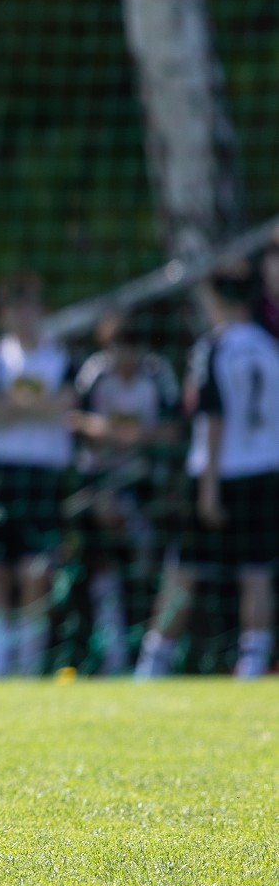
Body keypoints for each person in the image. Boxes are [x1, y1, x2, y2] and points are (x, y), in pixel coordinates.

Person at [136, 261, 279, 680]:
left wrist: (209, 487)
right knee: (256, 572)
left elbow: (212, 417)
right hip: (265, 471)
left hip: (219, 471)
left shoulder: (213, 347)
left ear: (216, 297)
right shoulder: (270, 347)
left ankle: (154, 660)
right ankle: (252, 662)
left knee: (183, 570)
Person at [0, 272, 75, 678]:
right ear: (2, 314)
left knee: (37, 573)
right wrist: (37, 404)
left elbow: (66, 405)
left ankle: (29, 669)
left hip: (44, 475)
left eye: (29, 304)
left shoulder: (60, 357)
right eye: (14, 306)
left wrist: (12, 403)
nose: (22, 314)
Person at [67, 311, 180, 675]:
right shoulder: (94, 373)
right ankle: (110, 650)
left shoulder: (158, 374)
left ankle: (145, 649)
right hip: (99, 483)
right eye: (120, 345)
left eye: (134, 345)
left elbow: (175, 429)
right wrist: (110, 433)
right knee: (101, 562)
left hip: (146, 486)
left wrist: (135, 437)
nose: (127, 354)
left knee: (146, 564)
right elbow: (75, 420)